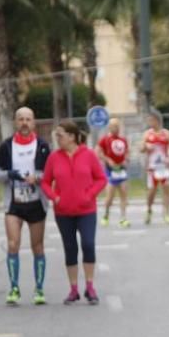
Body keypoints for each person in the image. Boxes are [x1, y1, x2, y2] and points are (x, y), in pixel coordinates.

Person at [41, 121, 106, 305]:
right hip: (63, 212)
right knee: (70, 249)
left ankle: (90, 287)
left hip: (86, 210)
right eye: (56, 135)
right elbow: (45, 182)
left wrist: (89, 194)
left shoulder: (89, 155)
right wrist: (55, 197)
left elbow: (101, 179)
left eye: (60, 135)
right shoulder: (54, 157)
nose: (57, 139)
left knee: (88, 244)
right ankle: (73, 289)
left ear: (71, 136)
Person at [0, 106, 52, 306]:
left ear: (33, 122)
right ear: (15, 122)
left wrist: (37, 178)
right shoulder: (7, 146)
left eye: (28, 119)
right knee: (12, 244)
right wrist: (9, 175)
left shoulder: (43, 146)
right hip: (14, 203)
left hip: (36, 203)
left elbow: (50, 173)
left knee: (37, 247)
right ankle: (14, 287)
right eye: (21, 119)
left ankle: (39, 288)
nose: (25, 123)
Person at [141, 110, 169, 224]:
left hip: (164, 167)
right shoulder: (147, 134)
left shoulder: (166, 133)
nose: (150, 122)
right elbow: (141, 149)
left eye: (151, 120)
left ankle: (167, 213)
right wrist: (146, 146)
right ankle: (149, 210)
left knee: (166, 189)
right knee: (152, 191)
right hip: (152, 168)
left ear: (157, 120)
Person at [97, 118, 131, 228]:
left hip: (121, 170)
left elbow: (127, 152)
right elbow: (97, 152)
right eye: (113, 126)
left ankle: (123, 218)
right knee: (110, 196)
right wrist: (107, 160)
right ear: (109, 127)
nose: (115, 128)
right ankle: (106, 215)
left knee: (124, 194)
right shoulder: (105, 139)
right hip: (110, 171)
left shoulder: (123, 139)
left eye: (117, 126)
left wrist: (126, 159)